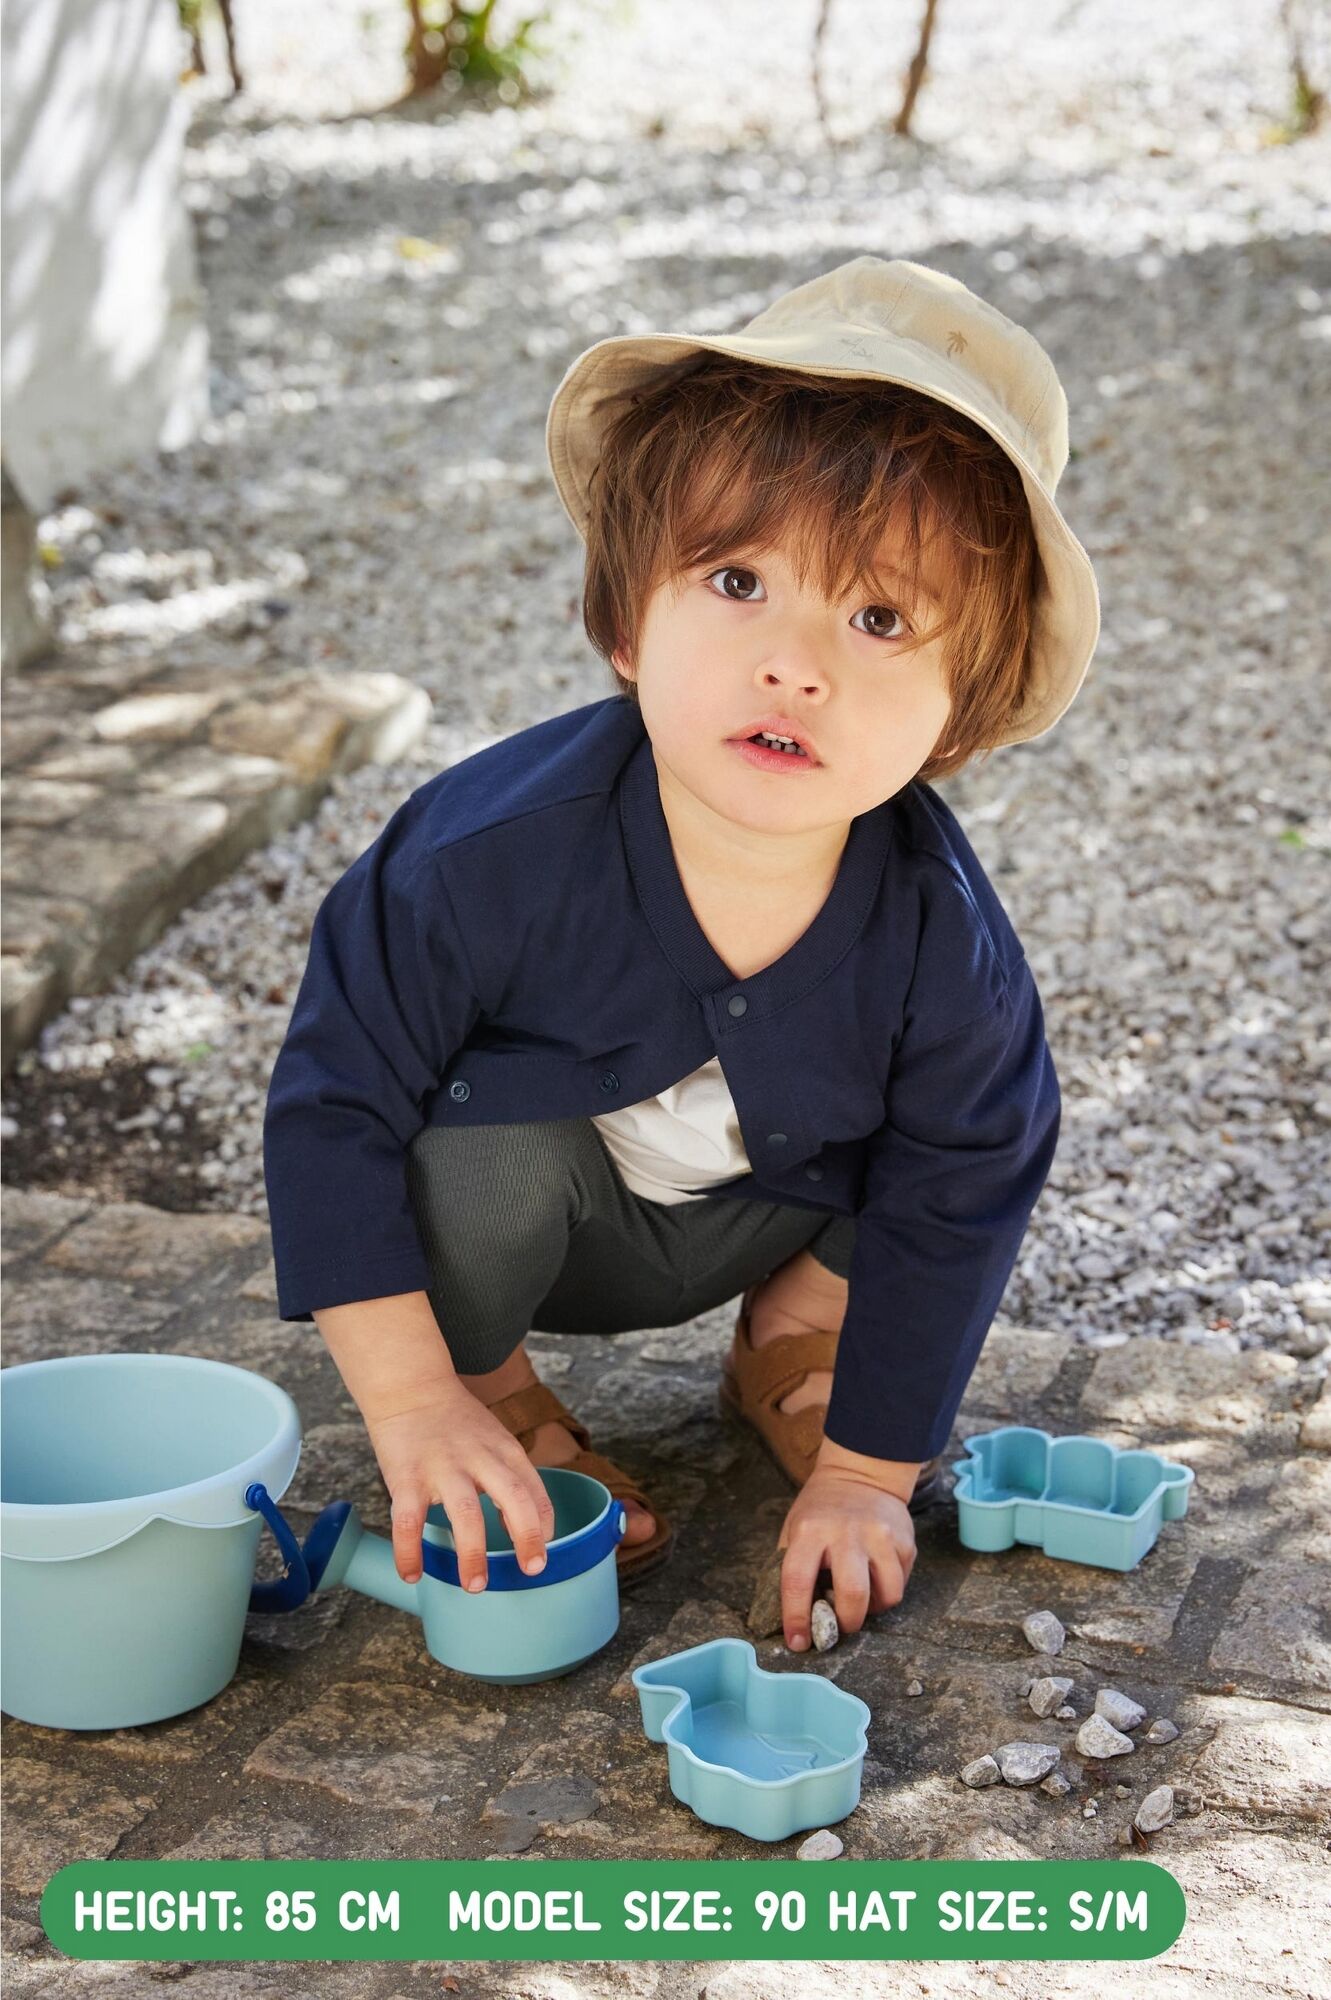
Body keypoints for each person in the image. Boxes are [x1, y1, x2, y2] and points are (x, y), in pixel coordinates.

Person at [263, 255, 1100, 1654]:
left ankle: (792, 1343)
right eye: (736, 578)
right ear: (622, 620)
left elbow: (969, 1177)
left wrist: (866, 1475)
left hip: (782, 1200)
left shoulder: (937, 933)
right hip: (558, 1215)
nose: (796, 663)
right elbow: (331, 1100)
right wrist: (414, 1401)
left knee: (928, 1141)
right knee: (457, 1163)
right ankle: (501, 1398)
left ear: (959, 717)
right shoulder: (482, 857)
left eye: (880, 617)